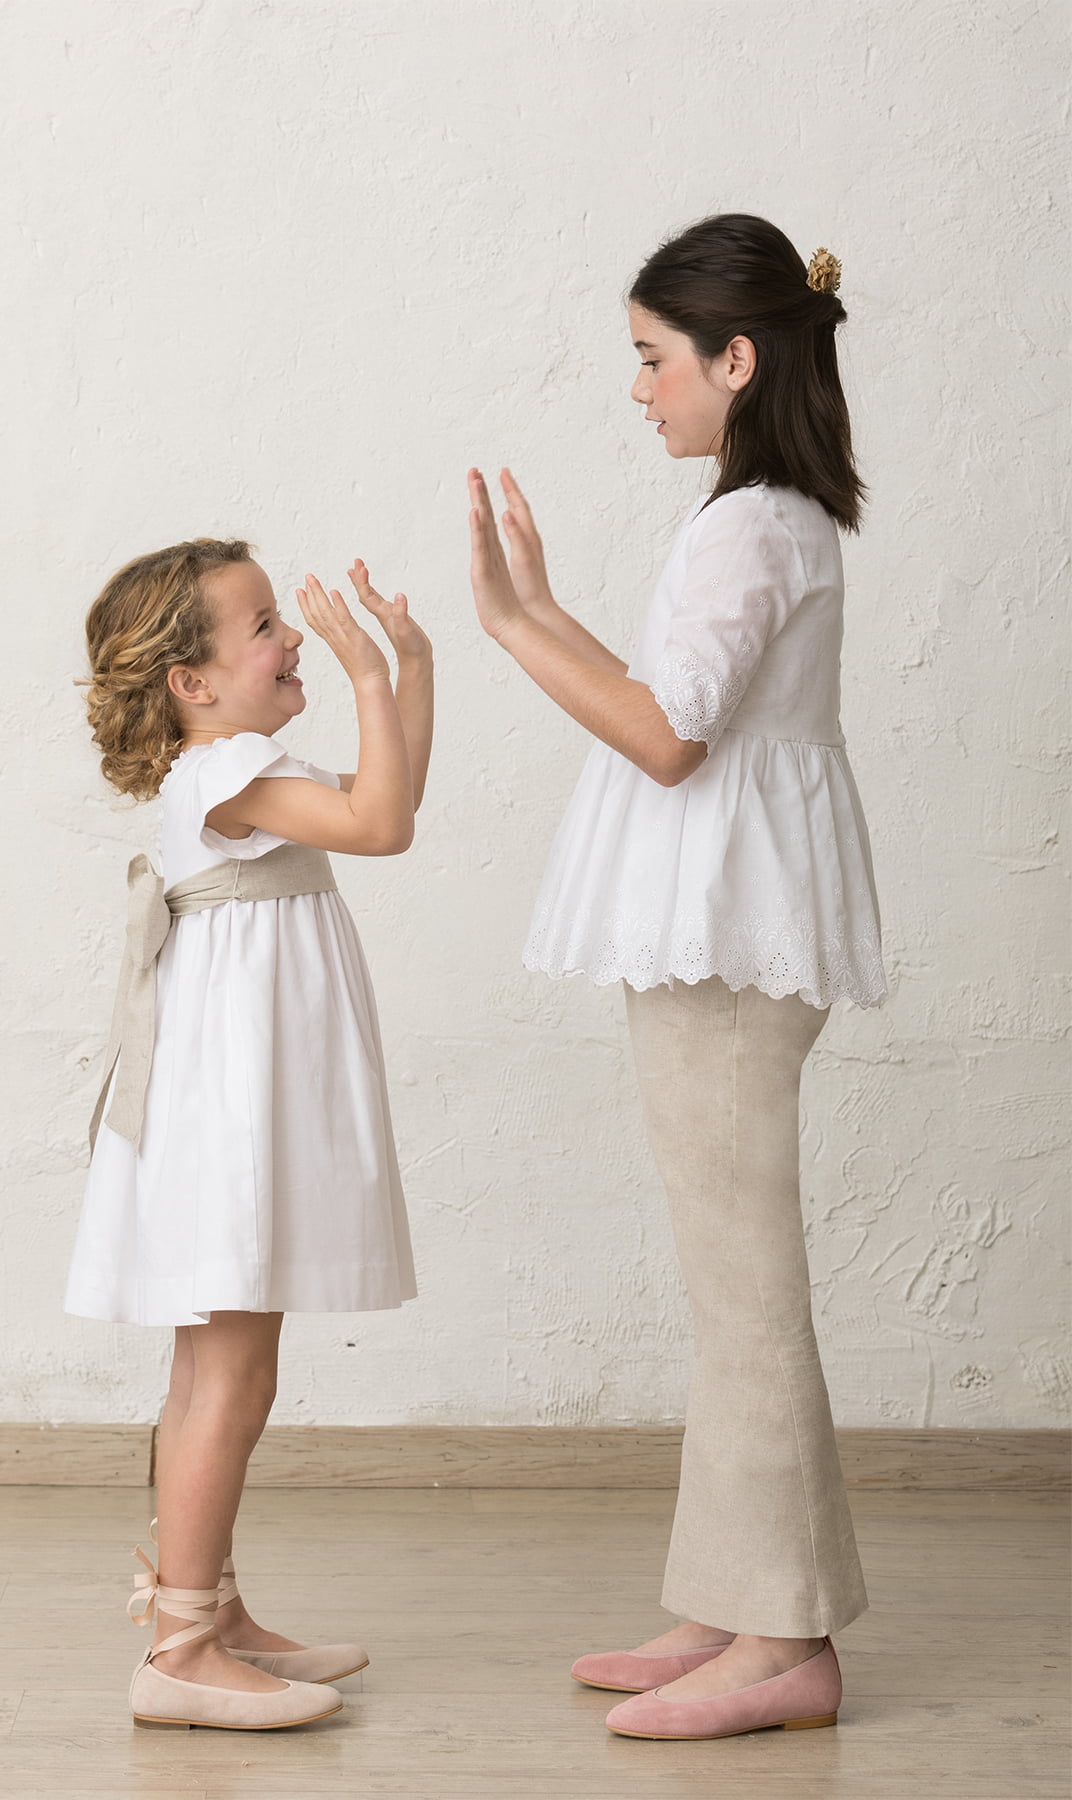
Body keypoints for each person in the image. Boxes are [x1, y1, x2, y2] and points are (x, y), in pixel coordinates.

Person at [468, 213, 886, 1742]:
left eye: (654, 360)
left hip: (727, 938)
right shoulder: (770, 518)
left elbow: (667, 735)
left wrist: (515, 628)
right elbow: (675, 708)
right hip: (733, 930)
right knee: (733, 1293)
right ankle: (733, 1600)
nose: (638, 389)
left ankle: (785, 1642)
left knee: (746, 1293)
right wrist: (536, 616)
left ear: (737, 359)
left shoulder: (749, 524)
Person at [64, 542, 430, 1731]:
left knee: (224, 1361)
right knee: (226, 1367)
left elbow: (394, 811)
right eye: (265, 624)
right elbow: (378, 823)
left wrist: (407, 666)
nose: (293, 640)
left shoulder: (230, 762)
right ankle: (177, 1649)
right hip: (228, 1103)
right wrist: (374, 676)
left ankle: (208, 1607)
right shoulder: (228, 765)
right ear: (193, 681)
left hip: (238, 1089)